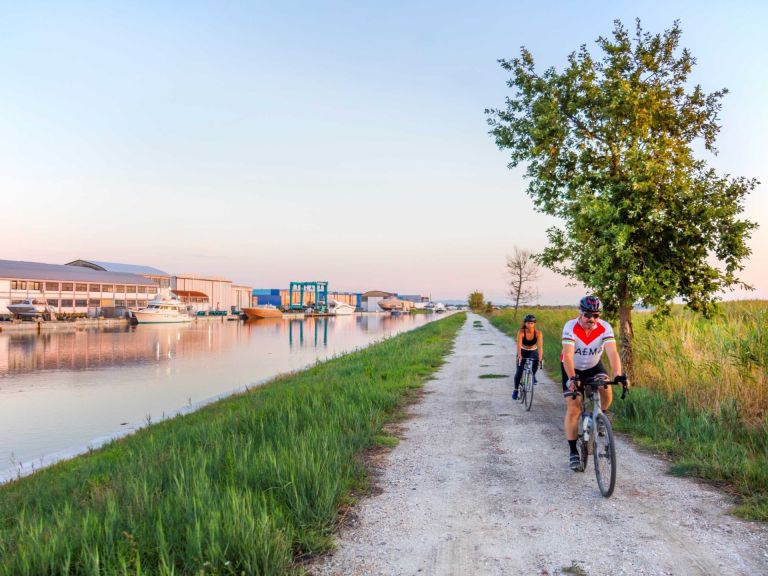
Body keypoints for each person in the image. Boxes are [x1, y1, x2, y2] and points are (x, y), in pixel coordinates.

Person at [561, 295, 627, 471]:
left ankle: (600, 417)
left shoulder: (605, 327)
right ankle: (573, 451)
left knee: (606, 386)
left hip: (593, 366)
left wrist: (618, 374)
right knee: (574, 407)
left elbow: (612, 353)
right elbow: (567, 355)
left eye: (595, 315)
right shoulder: (570, 326)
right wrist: (572, 377)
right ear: (580, 313)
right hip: (571, 368)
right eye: (588, 315)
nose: (591, 319)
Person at [512, 314, 543, 400]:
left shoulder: (538, 333)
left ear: (534, 324)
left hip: (533, 350)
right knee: (519, 371)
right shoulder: (521, 332)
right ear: (525, 323)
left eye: (531, 323)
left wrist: (540, 356)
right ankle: (515, 390)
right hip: (523, 350)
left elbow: (540, 347)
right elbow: (518, 345)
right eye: (528, 323)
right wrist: (519, 355)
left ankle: (533, 376)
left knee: (536, 360)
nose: (530, 325)